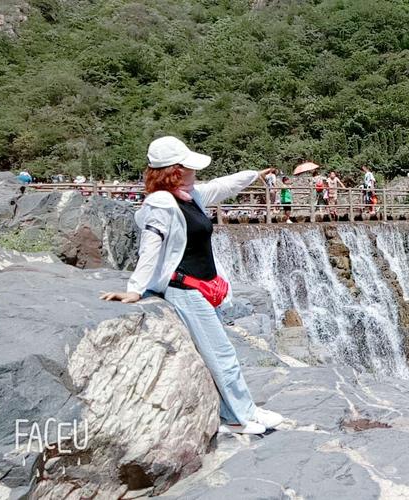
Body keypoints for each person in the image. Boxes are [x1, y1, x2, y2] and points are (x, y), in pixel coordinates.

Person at [99, 136, 283, 435]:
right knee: (221, 353)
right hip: (184, 289)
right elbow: (151, 245)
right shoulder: (161, 202)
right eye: (188, 167)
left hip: (200, 287)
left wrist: (253, 175)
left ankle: (240, 411)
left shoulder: (189, 196)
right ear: (174, 171)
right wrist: (135, 289)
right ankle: (240, 417)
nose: (194, 173)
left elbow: (221, 187)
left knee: (218, 353)